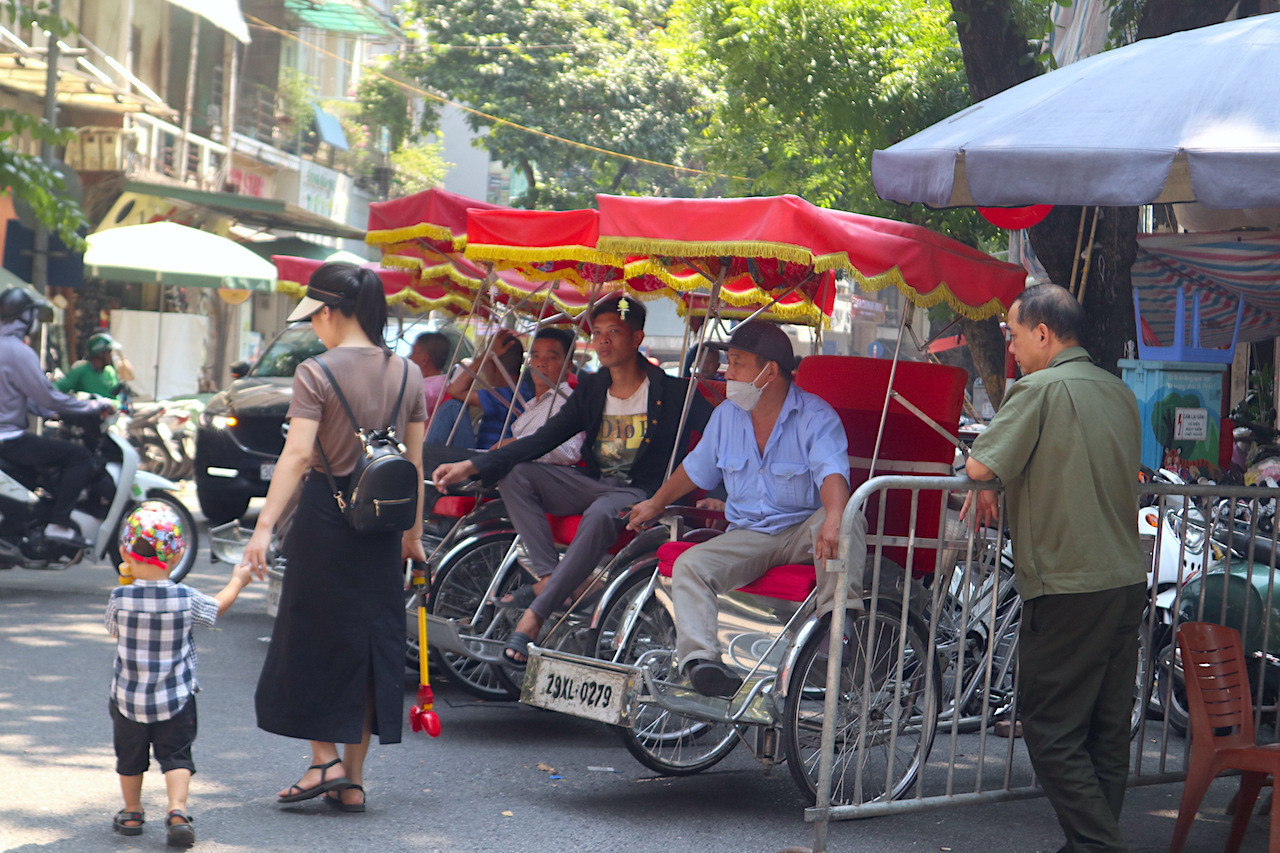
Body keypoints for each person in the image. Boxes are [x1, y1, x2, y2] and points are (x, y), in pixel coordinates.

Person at [962, 283, 1145, 853]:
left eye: (1014, 336)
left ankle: (1102, 847)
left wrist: (988, 479)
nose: (1011, 349)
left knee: (1051, 730)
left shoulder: (1038, 388)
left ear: (1043, 333)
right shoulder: (1117, 391)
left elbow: (978, 463)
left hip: (1070, 580)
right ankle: (1090, 843)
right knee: (1106, 731)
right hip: (1124, 576)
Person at [433, 294, 712, 667]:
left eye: (614, 332)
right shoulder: (594, 389)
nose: (603, 342)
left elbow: (723, 438)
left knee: (601, 512)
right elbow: (541, 440)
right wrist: (473, 465)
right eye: (597, 333)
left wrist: (720, 492)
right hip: (593, 483)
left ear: (637, 338)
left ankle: (534, 616)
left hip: (640, 493)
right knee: (515, 474)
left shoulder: (674, 392)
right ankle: (552, 578)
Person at [239, 263, 427, 814]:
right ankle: (353, 779)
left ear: (329, 311)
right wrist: (412, 535)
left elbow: (297, 457)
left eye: (314, 318)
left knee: (311, 639)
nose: (314, 330)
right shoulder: (409, 373)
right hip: (385, 524)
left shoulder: (315, 372)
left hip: (326, 517)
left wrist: (265, 526)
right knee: (367, 647)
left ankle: (323, 759)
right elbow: (414, 465)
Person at [627, 321, 858, 698]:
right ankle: (702, 663)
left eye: (737, 363)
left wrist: (834, 517)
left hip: (803, 532)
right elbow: (695, 468)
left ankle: (836, 627)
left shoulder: (815, 416)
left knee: (849, 518)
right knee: (690, 565)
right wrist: (655, 503)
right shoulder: (726, 416)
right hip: (749, 535)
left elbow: (832, 471)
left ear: (769, 371)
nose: (727, 372)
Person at [106, 503, 252, 847]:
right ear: (178, 554)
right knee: (176, 757)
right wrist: (238, 580)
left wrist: (128, 579)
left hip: (128, 700)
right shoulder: (185, 599)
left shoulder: (120, 598)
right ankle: (176, 810)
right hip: (175, 699)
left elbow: (114, 631)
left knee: (129, 759)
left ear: (125, 551)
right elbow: (217, 608)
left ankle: (131, 811)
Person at [0, 285, 112, 546]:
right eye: (33, 316)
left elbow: (19, 398)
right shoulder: (17, 351)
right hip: (10, 438)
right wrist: (90, 407)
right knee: (79, 457)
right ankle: (59, 523)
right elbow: (47, 395)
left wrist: (50, 412)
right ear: (24, 317)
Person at [489, 326, 584, 465]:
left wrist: (516, 444)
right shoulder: (534, 403)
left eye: (551, 357)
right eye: (535, 356)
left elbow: (569, 452)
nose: (541, 363)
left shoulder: (569, 401)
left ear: (568, 366)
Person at [426, 329, 525, 449]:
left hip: (486, 460)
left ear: (493, 364)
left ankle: (424, 460)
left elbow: (454, 391)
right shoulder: (520, 391)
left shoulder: (508, 395)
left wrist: (486, 355)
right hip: (484, 455)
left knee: (452, 406)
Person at [56, 332, 133, 405]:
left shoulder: (109, 371)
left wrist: (114, 403)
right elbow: (58, 387)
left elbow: (115, 398)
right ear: (100, 353)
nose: (111, 356)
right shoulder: (81, 371)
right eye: (109, 352)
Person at [408, 331, 451, 420]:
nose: (409, 357)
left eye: (413, 352)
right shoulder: (443, 383)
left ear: (424, 359)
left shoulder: (426, 391)